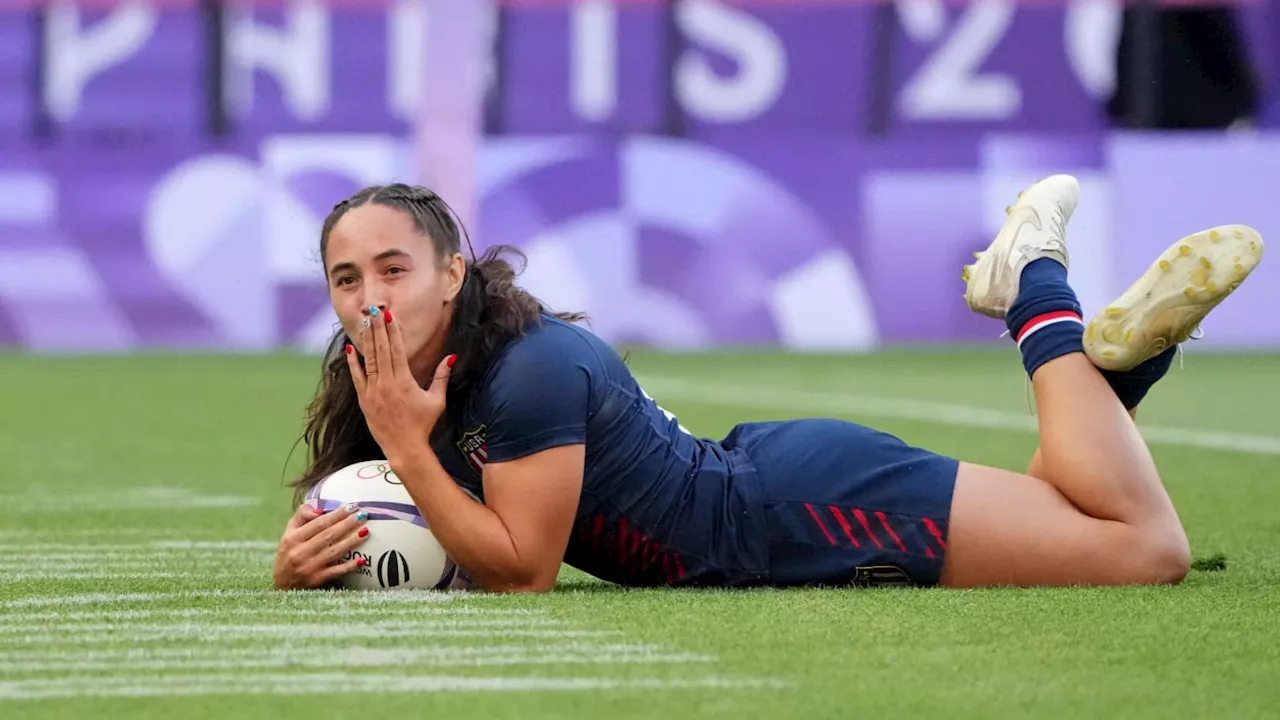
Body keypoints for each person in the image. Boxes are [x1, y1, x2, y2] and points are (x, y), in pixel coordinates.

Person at [271, 175, 1264, 593]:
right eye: (345, 279)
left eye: (392, 270)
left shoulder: (528, 372)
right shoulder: (384, 372)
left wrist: (403, 447)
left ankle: (1030, 280)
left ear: (450, 272)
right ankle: (1114, 377)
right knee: (1066, 500)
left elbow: (521, 569)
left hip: (805, 510)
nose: (369, 299)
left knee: (1140, 549)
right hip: (778, 488)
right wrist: (306, 555)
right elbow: (388, 512)